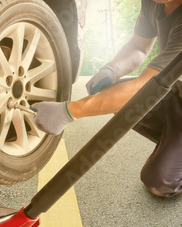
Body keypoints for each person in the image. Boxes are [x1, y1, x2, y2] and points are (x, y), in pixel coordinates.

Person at [33, 0, 182, 197]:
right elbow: (139, 46)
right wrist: (112, 70)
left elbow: (145, 88)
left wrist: (69, 111)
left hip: (172, 93)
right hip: (176, 93)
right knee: (114, 92)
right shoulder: (153, 2)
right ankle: (173, 145)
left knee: (159, 182)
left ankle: (174, 151)